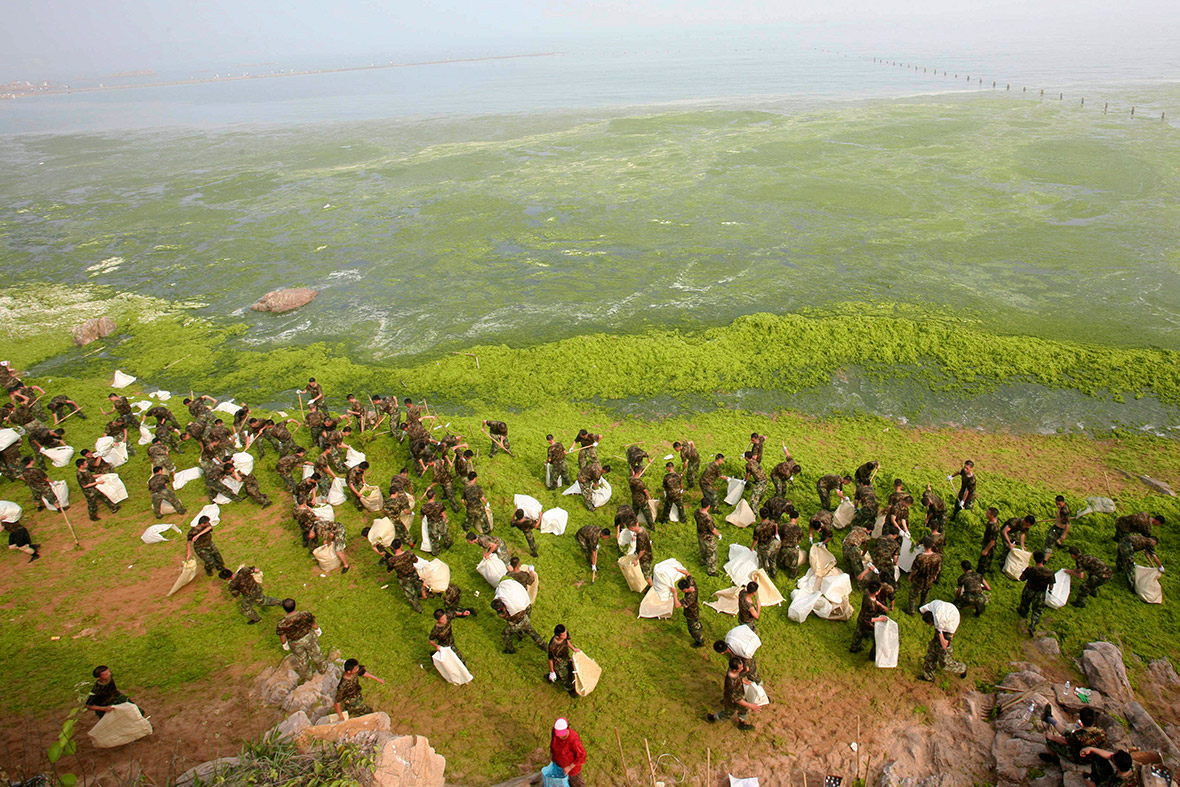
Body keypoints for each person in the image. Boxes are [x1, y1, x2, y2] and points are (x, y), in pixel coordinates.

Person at [277, 599, 328, 682]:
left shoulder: (282, 623)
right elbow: (312, 623)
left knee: (302, 660)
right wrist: (317, 629)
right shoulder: (305, 615)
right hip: (309, 638)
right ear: (295, 605)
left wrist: (284, 644)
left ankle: (308, 677)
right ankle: (323, 669)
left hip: (295, 643)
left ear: (284, 608)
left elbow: (282, 635)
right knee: (316, 654)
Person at [1040, 706, 1106, 766]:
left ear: (1081, 720)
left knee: (1050, 740)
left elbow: (1064, 741)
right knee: (1067, 731)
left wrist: (1051, 737)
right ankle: (1049, 718)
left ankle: (1054, 759)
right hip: (1093, 756)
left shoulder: (1078, 736)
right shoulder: (1101, 732)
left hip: (1080, 757)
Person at [705, 657, 758, 731]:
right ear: (734, 670)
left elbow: (739, 676)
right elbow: (737, 699)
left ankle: (741, 723)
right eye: (741, 667)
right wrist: (751, 706)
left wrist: (744, 681)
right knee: (727, 714)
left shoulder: (734, 671)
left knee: (743, 709)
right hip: (731, 701)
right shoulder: (731, 683)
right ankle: (712, 717)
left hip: (739, 694)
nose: (743, 668)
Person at [918, 603, 967, 681]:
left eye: (930, 624)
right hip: (944, 618)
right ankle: (929, 676)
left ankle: (962, 668)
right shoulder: (932, 608)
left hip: (950, 622)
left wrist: (940, 634)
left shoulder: (946, 627)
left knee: (945, 663)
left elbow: (944, 645)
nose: (930, 626)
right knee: (932, 650)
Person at [1017, 551, 1056, 635]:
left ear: (1034, 559)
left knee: (1025, 603)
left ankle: (1023, 613)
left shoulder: (1030, 569)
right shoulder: (1049, 572)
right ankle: (1033, 625)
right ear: (1043, 560)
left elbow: (1022, 578)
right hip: (1040, 593)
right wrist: (1050, 590)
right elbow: (1051, 585)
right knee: (1037, 610)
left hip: (1029, 589)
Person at [382, 539, 425, 613]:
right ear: (401, 545)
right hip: (413, 574)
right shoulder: (409, 553)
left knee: (410, 594)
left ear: (392, 548)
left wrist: (388, 571)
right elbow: (416, 560)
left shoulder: (391, 560)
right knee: (418, 585)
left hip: (403, 578)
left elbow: (390, 568)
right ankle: (421, 595)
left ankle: (418, 608)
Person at [849, 580, 888, 657]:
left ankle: (854, 647)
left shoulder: (866, 593)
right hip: (867, 622)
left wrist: (881, 605)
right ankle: (872, 655)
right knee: (876, 638)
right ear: (876, 592)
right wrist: (880, 619)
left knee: (858, 632)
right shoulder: (872, 606)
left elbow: (874, 600)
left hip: (861, 616)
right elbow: (868, 619)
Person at [906, 536, 942, 615]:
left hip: (919, 579)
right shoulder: (937, 557)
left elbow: (915, 569)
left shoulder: (920, 557)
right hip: (930, 579)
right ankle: (923, 608)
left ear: (924, 545)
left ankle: (911, 610)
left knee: (913, 594)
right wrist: (935, 576)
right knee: (925, 594)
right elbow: (938, 569)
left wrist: (911, 576)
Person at [550, 718, 588, 787]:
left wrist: (569, 767)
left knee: (576, 784)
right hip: (558, 765)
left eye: (562, 735)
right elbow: (553, 744)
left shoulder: (573, 739)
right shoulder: (554, 732)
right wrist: (552, 755)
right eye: (558, 735)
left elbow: (582, 755)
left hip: (572, 770)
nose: (560, 737)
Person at [547, 625, 581, 696]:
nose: (566, 635)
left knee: (571, 669)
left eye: (566, 633)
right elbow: (550, 660)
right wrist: (552, 672)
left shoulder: (564, 636)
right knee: (565, 676)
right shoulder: (552, 646)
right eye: (564, 635)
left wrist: (573, 649)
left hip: (566, 658)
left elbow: (566, 641)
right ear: (557, 636)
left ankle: (556, 675)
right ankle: (569, 688)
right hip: (559, 663)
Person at [674, 575, 705, 647]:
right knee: (695, 623)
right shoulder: (692, 584)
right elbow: (688, 574)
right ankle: (698, 626)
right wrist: (678, 569)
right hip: (694, 611)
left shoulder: (690, 597)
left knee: (693, 630)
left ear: (684, 590)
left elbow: (677, 605)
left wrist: (675, 594)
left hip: (691, 614)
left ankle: (700, 642)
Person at [421, 487, 452, 555]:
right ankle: (448, 545)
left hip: (431, 524)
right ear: (434, 496)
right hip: (440, 522)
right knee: (445, 535)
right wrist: (446, 520)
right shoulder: (439, 504)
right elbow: (443, 514)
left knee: (434, 539)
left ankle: (435, 552)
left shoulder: (424, 507)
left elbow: (422, 516)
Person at [751, 508, 779, 579]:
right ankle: (774, 574)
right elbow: (775, 533)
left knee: (763, 564)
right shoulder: (773, 524)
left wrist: (752, 547)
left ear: (760, 515)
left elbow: (756, 540)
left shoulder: (758, 528)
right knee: (773, 561)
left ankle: (765, 577)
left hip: (763, 548)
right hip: (772, 545)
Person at [695, 501, 721, 576]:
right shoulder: (708, 518)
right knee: (712, 552)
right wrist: (719, 535)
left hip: (700, 534)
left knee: (702, 548)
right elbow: (712, 529)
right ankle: (711, 571)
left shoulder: (697, 512)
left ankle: (703, 561)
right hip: (708, 537)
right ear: (708, 506)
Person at [777, 506, 804, 580]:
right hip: (793, 549)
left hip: (783, 548)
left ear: (789, 517)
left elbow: (779, 535)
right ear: (797, 518)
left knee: (780, 561)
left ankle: (781, 567)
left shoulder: (783, 527)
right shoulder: (799, 530)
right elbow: (799, 541)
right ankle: (792, 576)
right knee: (794, 565)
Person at [977, 507, 1002, 574]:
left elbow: (993, 541)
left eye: (988, 513)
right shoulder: (991, 521)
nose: (986, 513)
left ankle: (980, 573)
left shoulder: (994, 527)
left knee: (983, 561)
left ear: (992, 516)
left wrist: (986, 550)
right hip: (986, 542)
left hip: (989, 545)